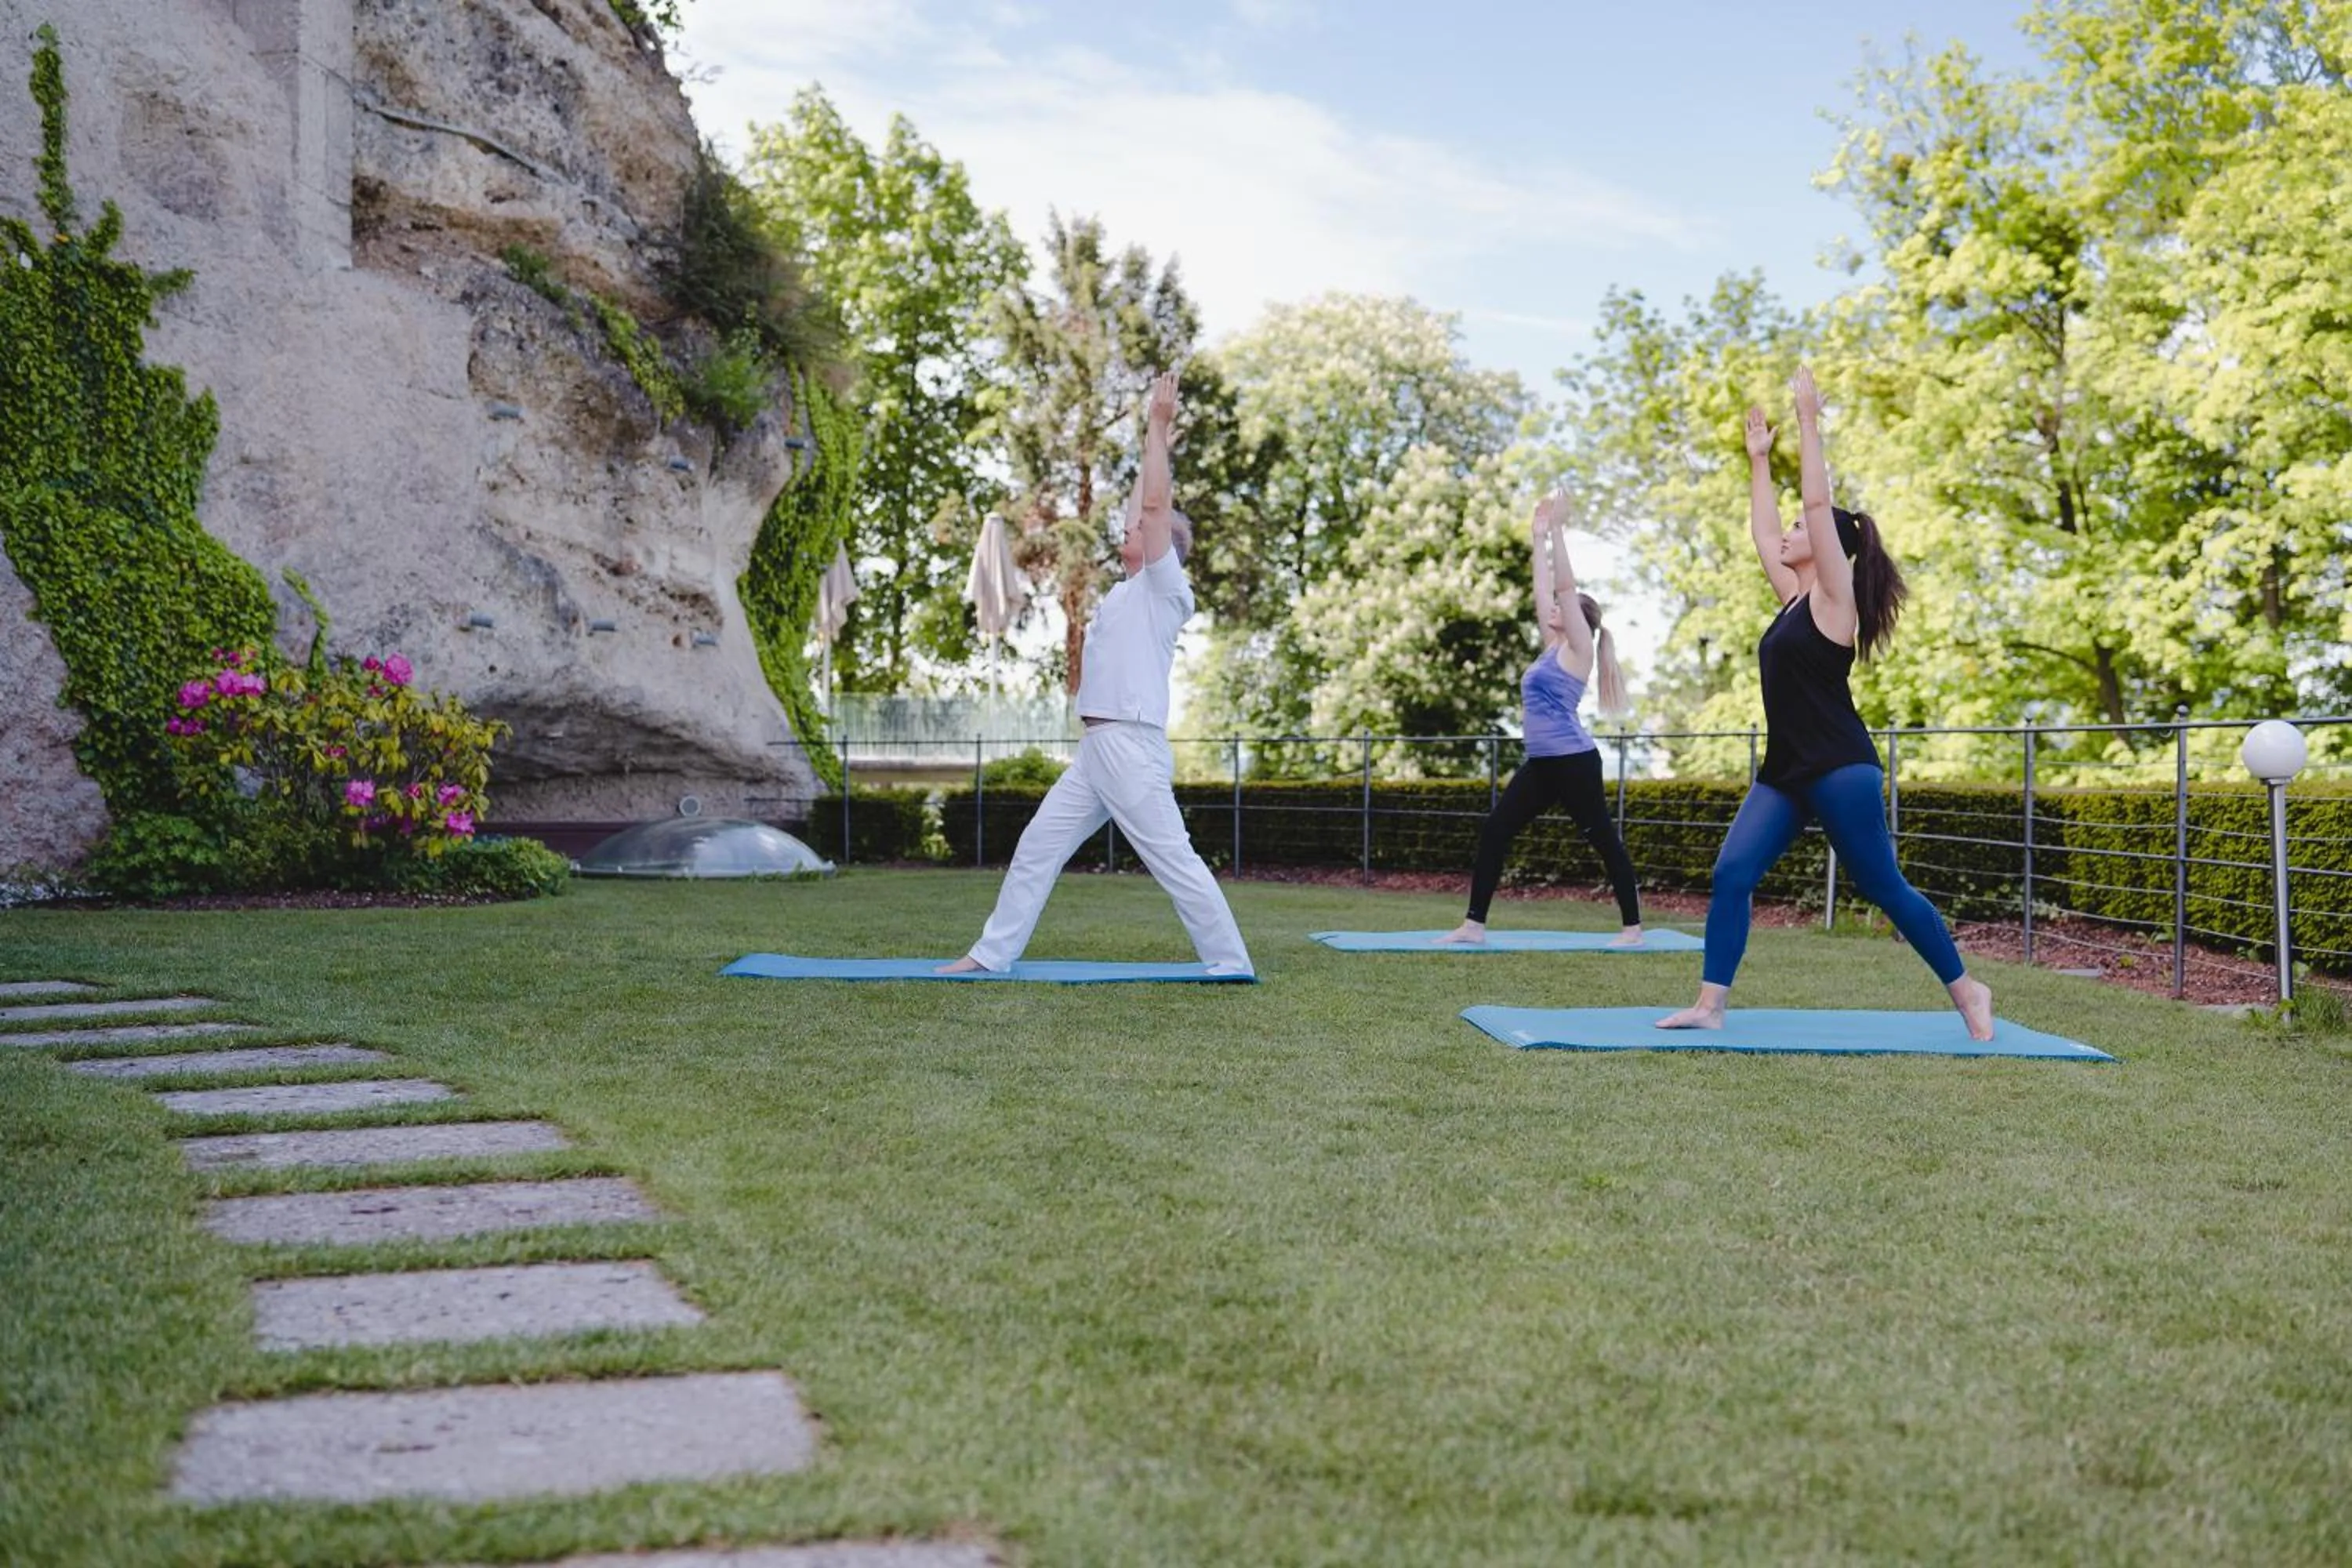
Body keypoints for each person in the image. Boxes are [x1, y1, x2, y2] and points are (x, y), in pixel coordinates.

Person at [1658, 367, 1993, 1038]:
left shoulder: (1834, 601)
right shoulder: (1791, 601)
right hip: (1786, 771)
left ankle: (1968, 991)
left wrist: (1809, 424)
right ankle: (1710, 1006)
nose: (1786, 529)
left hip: (1841, 767)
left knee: (1883, 886)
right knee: (1732, 873)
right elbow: (1763, 536)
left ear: (1832, 547)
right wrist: (1758, 463)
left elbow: (1817, 506)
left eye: (1798, 525)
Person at [939, 371, 1254, 978]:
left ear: (1163, 546)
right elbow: (1144, 500)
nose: (1128, 527)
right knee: (1036, 849)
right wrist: (1147, 434)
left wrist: (1160, 428)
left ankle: (1229, 960)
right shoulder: (1127, 591)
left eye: (1137, 529)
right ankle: (990, 955)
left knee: (1173, 859)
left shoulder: (1166, 589)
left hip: (1131, 748)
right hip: (1098, 750)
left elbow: (1156, 507)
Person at [1438, 493, 1643, 946]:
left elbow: (1564, 591)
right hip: (1543, 764)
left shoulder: (1577, 650)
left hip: (1573, 762)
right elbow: (1543, 589)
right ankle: (1474, 925)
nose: (1551, 607)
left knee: (1602, 839)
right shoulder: (1550, 647)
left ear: (1575, 622)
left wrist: (1557, 532)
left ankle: (1633, 929)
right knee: (1496, 830)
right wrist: (1536, 536)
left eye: (1560, 610)